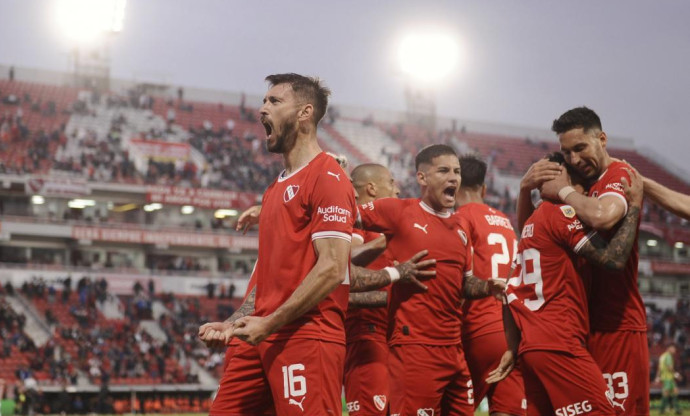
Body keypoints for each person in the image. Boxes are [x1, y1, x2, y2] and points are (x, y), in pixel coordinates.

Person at [198, 74, 433, 416]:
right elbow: (266, 280)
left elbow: (333, 269)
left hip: (306, 336)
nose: (263, 108)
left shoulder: (327, 177)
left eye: (274, 101)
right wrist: (233, 323)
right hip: (262, 333)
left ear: (305, 112)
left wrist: (270, 322)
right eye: (264, 101)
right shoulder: (275, 188)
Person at [488, 152, 643, 416]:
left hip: (530, 350)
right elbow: (613, 259)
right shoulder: (563, 214)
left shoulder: (530, 228)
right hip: (560, 344)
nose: (586, 193)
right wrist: (635, 207)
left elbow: (508, 293)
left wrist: (513, 348)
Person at [356, 144, 505, 416]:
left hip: (454, 349)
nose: (454, 178)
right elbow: (342, 215)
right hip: (414, 349)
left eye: (457, 172)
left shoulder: (462, 227)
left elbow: (465, 284)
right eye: (444, 171)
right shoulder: (398, 211)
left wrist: (486, 287)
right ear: (422, 178)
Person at [537, 107, 649, 415]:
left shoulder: (617, 175)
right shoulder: (586, 186)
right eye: (566, 152)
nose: (573, 159)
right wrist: (524, 189)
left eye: (580, 148)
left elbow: (603, 215)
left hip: (617, 326)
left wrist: (562, 191)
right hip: (583, 329)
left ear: (602, 139)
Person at [456, 155, 525, 416]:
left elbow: (458, 278)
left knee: (449, 408)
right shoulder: (506, 223)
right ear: (484, 189)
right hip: (511, 331)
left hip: (476, 331)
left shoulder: (460, 219)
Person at [344, 163, 399, 416]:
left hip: (397, 336)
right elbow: (347, 261)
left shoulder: (392, 224)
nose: (396, 189)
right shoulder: (354, 219)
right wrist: (386, 241)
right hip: (367, 333)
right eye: (391, 182)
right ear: (372, 188)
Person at [657, 344, 681, 415]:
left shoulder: (662, 356)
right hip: (668, 378)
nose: (675, 350)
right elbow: (669, 367)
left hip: (665, 377)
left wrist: (658, 376)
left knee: (675, 391)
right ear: (669, 348)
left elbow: (659, 367)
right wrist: (676, 375)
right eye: (673, 349)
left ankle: (677, 409)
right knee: (666, 393)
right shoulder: (668, 356)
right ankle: (662, 409)